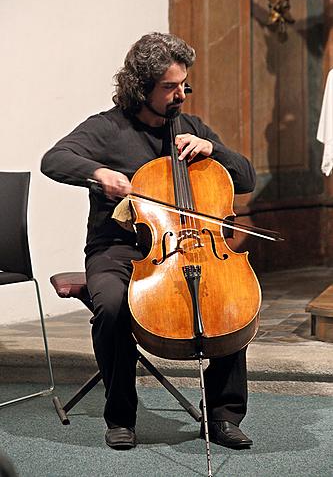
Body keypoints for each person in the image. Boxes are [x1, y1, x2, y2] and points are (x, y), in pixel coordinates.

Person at [41, 32, 256, 450]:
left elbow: (244, 178)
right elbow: (54, 159)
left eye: (184, 85)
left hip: (192, 245)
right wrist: (98, 174)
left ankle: (224, 415)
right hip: (117, 248)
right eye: (171, 87)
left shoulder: (190, 127)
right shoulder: (106, 128)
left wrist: (213, 149)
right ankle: (120, 416)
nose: (181, 95)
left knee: (230, 300)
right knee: (112, 305)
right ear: (141, 87)